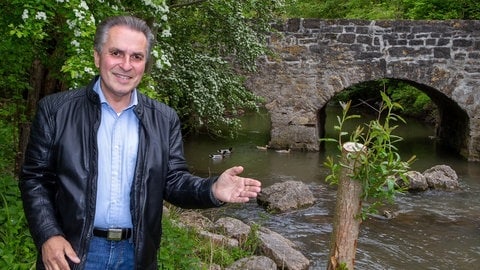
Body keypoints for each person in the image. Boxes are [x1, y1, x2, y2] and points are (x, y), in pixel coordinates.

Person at [19, 15, 261, 270]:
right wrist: (48, 234)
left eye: (136, 57)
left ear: (145, 64)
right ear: (97, 56)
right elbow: (35, 179)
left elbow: (173, 181)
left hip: (136, 255)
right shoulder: (56, 111)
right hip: (74, 252)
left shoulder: (164, 119)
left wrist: (212, 190)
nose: (126, 65)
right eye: (116, 53)